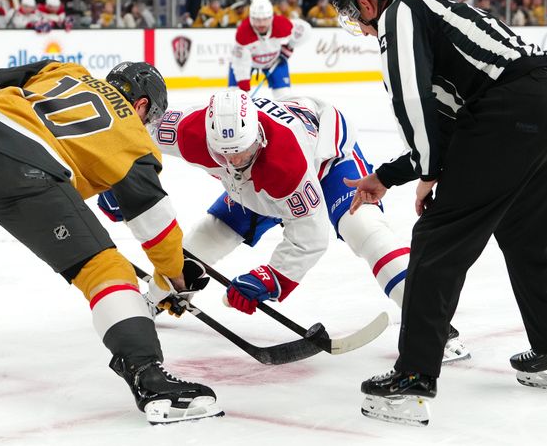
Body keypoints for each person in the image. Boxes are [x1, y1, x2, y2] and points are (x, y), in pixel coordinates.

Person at [0, 60, 223, 425]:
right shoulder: (134, 137)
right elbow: (155, 227)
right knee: (104, 268)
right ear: (142, 105)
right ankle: (151, 380)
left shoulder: (64, 70)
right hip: (25, 172)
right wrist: (172, 278)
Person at [330, 0, 547, 425]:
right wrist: (389, 176)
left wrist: (429, 173)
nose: (363, 27)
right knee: (529, 239)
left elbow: (411, 99)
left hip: (517, 111)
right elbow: (455, 126)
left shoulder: (403, 10)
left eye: (356, 13)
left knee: (436, 242)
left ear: (368, 3)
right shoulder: (437, 15)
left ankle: (413, 377)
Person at [99, 89, 469, 361]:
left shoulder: (285, 163)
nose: (235, 159)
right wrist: (116, 179)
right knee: (205, 240)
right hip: (254, 186)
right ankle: (161, 296)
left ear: (258, 135)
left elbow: (310, 236)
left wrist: (271, 278)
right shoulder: (188, 131)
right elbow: (132, 139)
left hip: (328, 162)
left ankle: (432, 324)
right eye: (225, 154)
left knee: (367, 231)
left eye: (242, 151)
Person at [229, 0, 309, 100]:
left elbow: (305, 30)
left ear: (271, 17)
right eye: (257, 20)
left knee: (285, 96)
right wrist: (244, 89)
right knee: (235, 97)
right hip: (248, 63)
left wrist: (290, 46)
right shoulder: (243, 33)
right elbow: (240, 64)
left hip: (274, 61)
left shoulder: (281, 24)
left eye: (265, 19)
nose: (261, 24)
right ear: (251, 18)